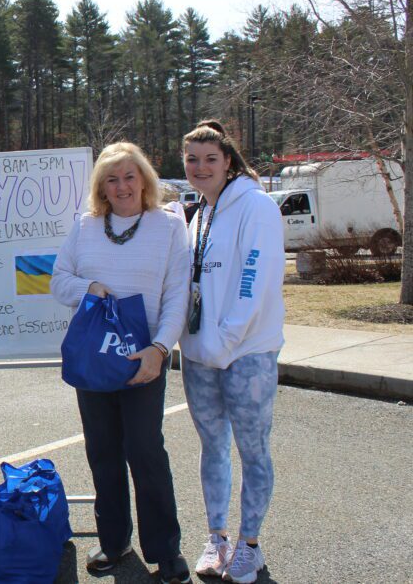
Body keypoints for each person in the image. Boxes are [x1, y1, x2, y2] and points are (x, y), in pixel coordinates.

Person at [51, 142, 192, 584]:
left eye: (130, 176)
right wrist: (88, 287)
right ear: (101, 187)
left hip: (143, 360)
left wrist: (161, 349)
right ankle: (114, 543)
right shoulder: (85, 226)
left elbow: (177, 297)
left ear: (145, 180)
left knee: (146, 453)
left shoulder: (168, 227)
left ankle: (165, 552)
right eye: (112, 179)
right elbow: (59, 280)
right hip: (95, 361)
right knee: (104, 455)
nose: (122, 185)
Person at [179, 120, 284, 584]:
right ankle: (217, 537)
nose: (200, 168)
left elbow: (254, 279)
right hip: (201, 356)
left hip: (248, 354)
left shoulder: (255, 206)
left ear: (228, 162)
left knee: (253, 451)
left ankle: (250, 545)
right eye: (191, 160)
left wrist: (228, 338)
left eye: (210, 159)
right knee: (213, 449)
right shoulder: (200, 214)